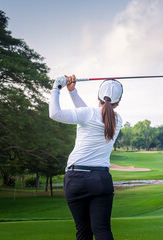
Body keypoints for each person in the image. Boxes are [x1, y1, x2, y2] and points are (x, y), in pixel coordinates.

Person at [49, 75, 123, 240]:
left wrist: (56, 88)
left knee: (83, 232)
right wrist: (73, 92)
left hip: (76, 179)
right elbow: (88, 115)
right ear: (118, 102)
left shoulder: (88, 114)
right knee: (102, 230)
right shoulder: (118, 120)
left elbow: (55, 113)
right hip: (101, 180)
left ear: (98, 97)